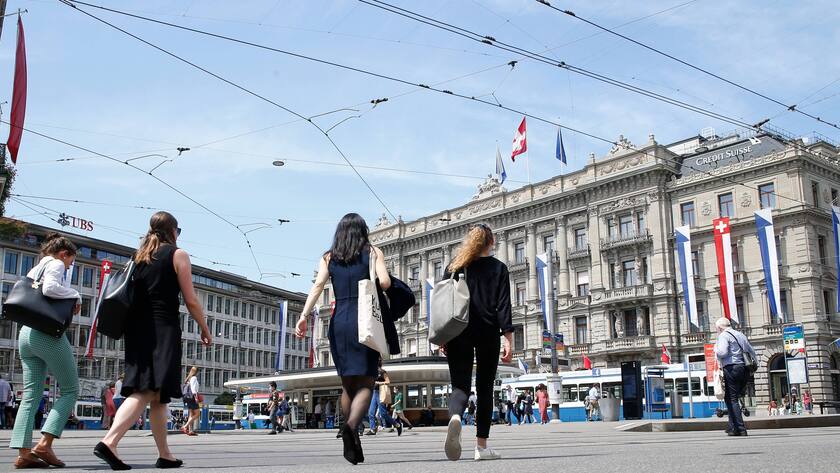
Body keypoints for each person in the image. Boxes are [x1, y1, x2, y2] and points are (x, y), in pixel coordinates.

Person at [94, 212, 212, 470]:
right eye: (178, 231)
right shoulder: (177, 255)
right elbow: (191, 299)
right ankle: (109, 442)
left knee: (159, 396)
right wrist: (204, 327)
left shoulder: (140, 256)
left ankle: (165, 454)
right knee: (145, 390)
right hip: (162, 329)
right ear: (172, 231)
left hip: (137, 330)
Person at [295, 213, 391, 465]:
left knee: (348, 384)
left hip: (339, 322)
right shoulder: (372, 252)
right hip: (365, 321)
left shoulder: (328, 257)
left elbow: (317, 286)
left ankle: (350, 436)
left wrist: (303, 316)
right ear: (363, 231)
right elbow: (385, 282)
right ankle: (351, 427)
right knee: (367, 382)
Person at [9, 233, 82, 468]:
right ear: (64, 254)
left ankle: (24, 453)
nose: (69, 265)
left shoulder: (37, 267)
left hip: (25, 334)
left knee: (31, 395)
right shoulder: (57, 263)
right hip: (45, 334)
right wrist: (75, 295)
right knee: (71, 389)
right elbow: (50, 289)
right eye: (71, 261)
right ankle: (45, 443)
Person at [441, 223, 513, 462]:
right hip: (488, 332)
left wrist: (443, 336)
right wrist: (508, 339)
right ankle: (481, 447)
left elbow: (443, 302)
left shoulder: (454, 266)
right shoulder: (499, 268)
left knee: (460, 386)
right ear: (491, 242)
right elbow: (503, 306)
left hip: (457, 331)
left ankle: (456, 418)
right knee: (484, 390)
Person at [713, 317, 756, 437]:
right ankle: (733, 427)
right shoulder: (740, 334)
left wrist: (715, 349)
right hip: (744, 369)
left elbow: (723, 352)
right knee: (732, 398)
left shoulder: (723, 335)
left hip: (732, 368)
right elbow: (751, 351)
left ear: (719, 328)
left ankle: (741, 429)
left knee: (732, 399)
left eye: (716, 329)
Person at [180, 366, 201, 437]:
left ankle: (190, 430)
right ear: (196, 372)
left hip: (187, 398)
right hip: (192, 398)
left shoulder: (188, 378)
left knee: (191, 414)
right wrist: (196, 397)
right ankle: (185, 426)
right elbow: (193, 388)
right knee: (197, 414)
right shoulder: (194, 378)